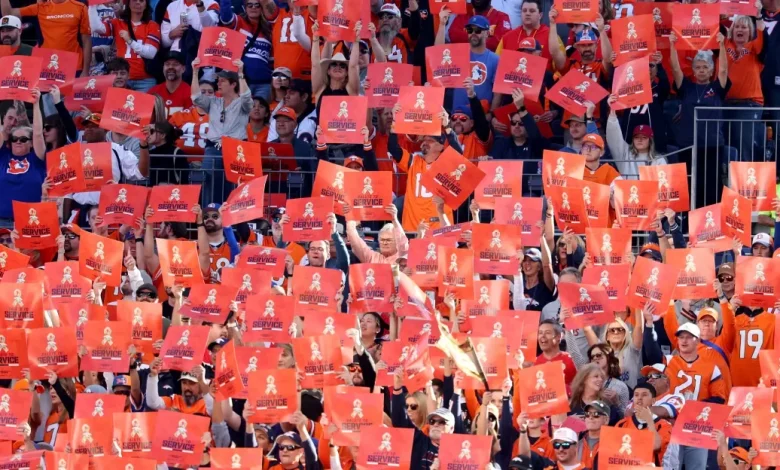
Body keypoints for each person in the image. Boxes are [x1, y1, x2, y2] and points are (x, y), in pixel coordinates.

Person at [190, 58, 252, 204]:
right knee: (209, 186)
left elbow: (246, 97)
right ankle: (209, 219)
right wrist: (195, 72)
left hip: (236, 151)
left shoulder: (242, 104)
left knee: (235, 188)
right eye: (218, 80)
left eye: (222, 81)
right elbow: (196, 97)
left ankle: (233, 224)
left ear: (233, 84)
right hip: (213, 148)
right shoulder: (213, 102)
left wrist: (241, 73)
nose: (218, 83)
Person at [665, 323, 726, 468]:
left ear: (697, 340)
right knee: (671, 466)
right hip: (672, 423)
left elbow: (719, 398)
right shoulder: (667, 362)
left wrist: (695, 407)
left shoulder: (711, 367)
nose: (684, 341)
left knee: (697, 467)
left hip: (697, 426)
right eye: (681, 337)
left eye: (688, 337)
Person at [2, 0, 91, 76]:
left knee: (70, 97)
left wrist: (86, 71)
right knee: (49, 96)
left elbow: (86, 41)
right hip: (48, 69)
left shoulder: (80, 7)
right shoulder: (40, 8)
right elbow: (9, 14)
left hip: (74, 68)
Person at [89, 0, 160, 92]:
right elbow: (96, 27)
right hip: (123, 78)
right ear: (128, 3)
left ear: (146, 5)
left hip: (145, 80)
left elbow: (150, 53)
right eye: (134, 0)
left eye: (142, 0)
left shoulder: (152, 26)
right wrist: (92, 4)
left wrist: (129, 40)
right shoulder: (118, 23)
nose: (137, 2)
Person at [0, 89, 45, 225]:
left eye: (23, 139)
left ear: (31, 143)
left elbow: (37, 133)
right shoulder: (3, 156)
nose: (18, 141)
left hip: (28, 223)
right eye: (14, 138)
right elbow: (1, 131)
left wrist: (36, 104)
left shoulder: (37, 159)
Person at [437, 14, 499, 110]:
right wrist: (441, 24)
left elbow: (498, 93)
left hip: (482, 116)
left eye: (478, 30)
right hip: (458, 116)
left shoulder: (496, 59)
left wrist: (492, 114)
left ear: (487, 33)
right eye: (470, 30)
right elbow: (437, 54)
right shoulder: (459, 54)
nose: (473, 33)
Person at [219, 0, 278, 99]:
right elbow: (226, 17)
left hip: (263, 85)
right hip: (241, 81)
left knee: (260, 113)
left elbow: (272, 62)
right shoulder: (239, 22)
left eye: (257, 5)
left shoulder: (269, 30)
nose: (253, 7)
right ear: (245, 7)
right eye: (249, 5)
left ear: (262, 7)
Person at [616, 382, 673, 468]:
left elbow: (655, 446)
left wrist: (649, 420)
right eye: (636, 395)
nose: (639, 398)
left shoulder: (664, 426)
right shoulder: (622, 424)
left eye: (644, 395)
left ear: (653, 400)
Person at [311, 21, 361, 103]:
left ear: (346, 73)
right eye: (334, 64)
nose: (338, 67)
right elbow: (315, 65)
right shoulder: (320, 89)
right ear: (328, 71)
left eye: (342, 66)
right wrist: (315, 38)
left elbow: (353, 66)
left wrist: (356, 41)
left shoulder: (351, 90)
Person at [446, 0, 511, 51]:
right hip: (464, 59)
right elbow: (453, 35)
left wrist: (470, 37)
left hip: (490, 62)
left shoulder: (501, 17)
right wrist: (484, 38)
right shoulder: (463, 15)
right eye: (470, 30)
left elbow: (501, 42)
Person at [169, 79, 213, 156]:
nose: (207, 94)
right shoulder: (179, 115)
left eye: (210, 92)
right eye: (202, 92)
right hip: (181, 161)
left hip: (209, 163)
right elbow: (165, 138)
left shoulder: (222, 117)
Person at [588, 344, 630, 413]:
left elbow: (625, 418)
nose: (595, 358)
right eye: (592, 357)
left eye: (599, 355)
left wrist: (616, 402)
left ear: (608, 357)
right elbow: (575, 353)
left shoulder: (621, 386)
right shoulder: (586, 382)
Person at [149, 52, 193, 116]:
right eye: (167, 64)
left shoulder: (190, 93)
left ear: (183, 69)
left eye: (175, 64)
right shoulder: (153, 92)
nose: (171, 67)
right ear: (163, 68)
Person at [534, 320, 577, 385]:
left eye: (547, 333)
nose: (542, 336)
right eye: (540, 333)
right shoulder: (534, 363)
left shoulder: (571, 360)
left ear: (558, 337)